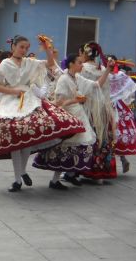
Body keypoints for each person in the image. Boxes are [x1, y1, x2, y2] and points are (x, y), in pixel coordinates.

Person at [0, 35, 85, 192]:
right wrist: (13, 91)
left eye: (26, 47)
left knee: (26, 139)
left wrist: (48, 49)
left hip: (30, 100)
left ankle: (21, 173)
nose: (24, 50)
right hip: (10, 103)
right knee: (16, 140)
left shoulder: (29, 62)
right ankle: (18, 179)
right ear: (13, 47)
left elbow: (50, 64)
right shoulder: (5, 63)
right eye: (21, 47)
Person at [32, 53, 113, 190]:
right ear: (71, 64)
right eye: (79, 62)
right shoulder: (64, 79)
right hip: (69, 115)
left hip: (78, 115)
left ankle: (69, 174)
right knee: (66, 146)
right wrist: (76, 100)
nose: (82, 65)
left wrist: (108, 70)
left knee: (78, 146)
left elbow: (96, 84)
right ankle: (57, 179)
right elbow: (59, 102)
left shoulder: (76, 77)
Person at [78, 42, 118, 180]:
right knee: (102, 138)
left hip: (88, 108)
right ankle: (101, 172)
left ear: (83, 53)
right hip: (102, 108)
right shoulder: (102, 68)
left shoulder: (82, 69)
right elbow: (106, 92)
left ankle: (84, 170)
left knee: (87, 137)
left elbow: (82, 90)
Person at [107, 55, 136, 173]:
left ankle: (110, 162)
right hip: (120, 105)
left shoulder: (106, 74)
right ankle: (122, 159)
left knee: (111, 133)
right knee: (117, 133)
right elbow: (130, 89)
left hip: (110, 105)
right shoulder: (120, 75)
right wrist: (125, 100)